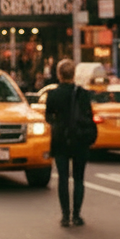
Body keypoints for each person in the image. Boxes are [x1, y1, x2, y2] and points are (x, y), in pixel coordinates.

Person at [45, 59, 96, 227]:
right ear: (73, 74)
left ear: (59, 74)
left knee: (63, 178)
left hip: (61, 139)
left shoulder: (53, 94)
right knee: (79, 179)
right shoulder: (82, 93)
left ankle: (65, 215)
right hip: (80, 139)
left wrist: (59, 121)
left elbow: (48, 117)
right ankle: (77, 215)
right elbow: (88, 115)